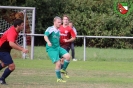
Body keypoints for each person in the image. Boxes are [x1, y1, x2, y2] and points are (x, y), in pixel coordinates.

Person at [0, 19, 29, 84]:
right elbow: (11, 44)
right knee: (12, 66)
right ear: (18, 26)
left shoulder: (15, 30)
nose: (23, 26)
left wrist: (21, 47)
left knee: (4, 64)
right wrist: (22, 49)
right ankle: (1, 79)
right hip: (2, 50)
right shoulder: (12, 32)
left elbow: (14, 41)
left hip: (5, 50)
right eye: (22, 25)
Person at [44, 16, 71, 82]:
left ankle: (63, 70)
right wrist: (48, 42)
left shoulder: (58, 30)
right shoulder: (50, 29)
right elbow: (45, 36)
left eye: (60, 22)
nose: (60, 23)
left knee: (68, 56)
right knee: (58, 64)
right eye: (58, 22)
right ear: (54, 22)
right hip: (51, 49)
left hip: (58, 48)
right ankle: (59, 78)